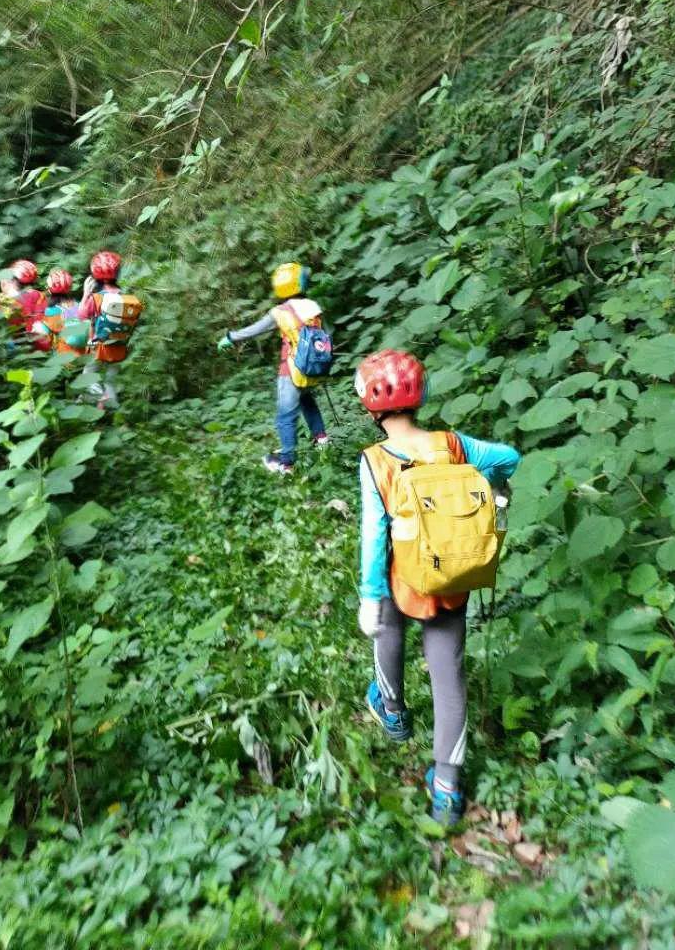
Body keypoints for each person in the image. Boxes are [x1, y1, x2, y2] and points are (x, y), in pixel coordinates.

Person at [354, 348, 519, 827]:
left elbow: (372, 533)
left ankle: (393, 711)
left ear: (371, 405)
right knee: (449, 682)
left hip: (398, 579)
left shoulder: (375, 461)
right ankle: (446, 791)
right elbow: (509, 457)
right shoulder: (453, 443)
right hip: (450, 578)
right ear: (420, 397)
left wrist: (369, 595)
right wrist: (492, 484)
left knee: (387, 632)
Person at [216, 261, 330, 474]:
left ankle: (286, 463)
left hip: (292, 370)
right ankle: (322, 440)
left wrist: (231, 338)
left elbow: (255, 330)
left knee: (285, 416)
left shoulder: (280, 312)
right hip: (314, 368)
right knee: (307, 400)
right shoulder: (314, 307)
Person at [77, 250, 143, 409]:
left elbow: (81, 315)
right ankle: (113, 412)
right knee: (110, 382)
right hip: (119, 346)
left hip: (97, 347)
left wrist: (86, 293)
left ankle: (94, 402)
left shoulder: (96, 298)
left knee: (88, 377)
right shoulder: (125, 297)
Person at [35, 268, 89, 358]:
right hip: (85, 358)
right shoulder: (80, 305)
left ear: (50, 288)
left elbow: (44, 338)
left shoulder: (51, 312)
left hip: (65, 360)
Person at [0, 260, 48, 346]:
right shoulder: (38, 295)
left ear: (12, 280)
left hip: (13, 342)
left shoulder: (2, 299)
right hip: (38, 341)